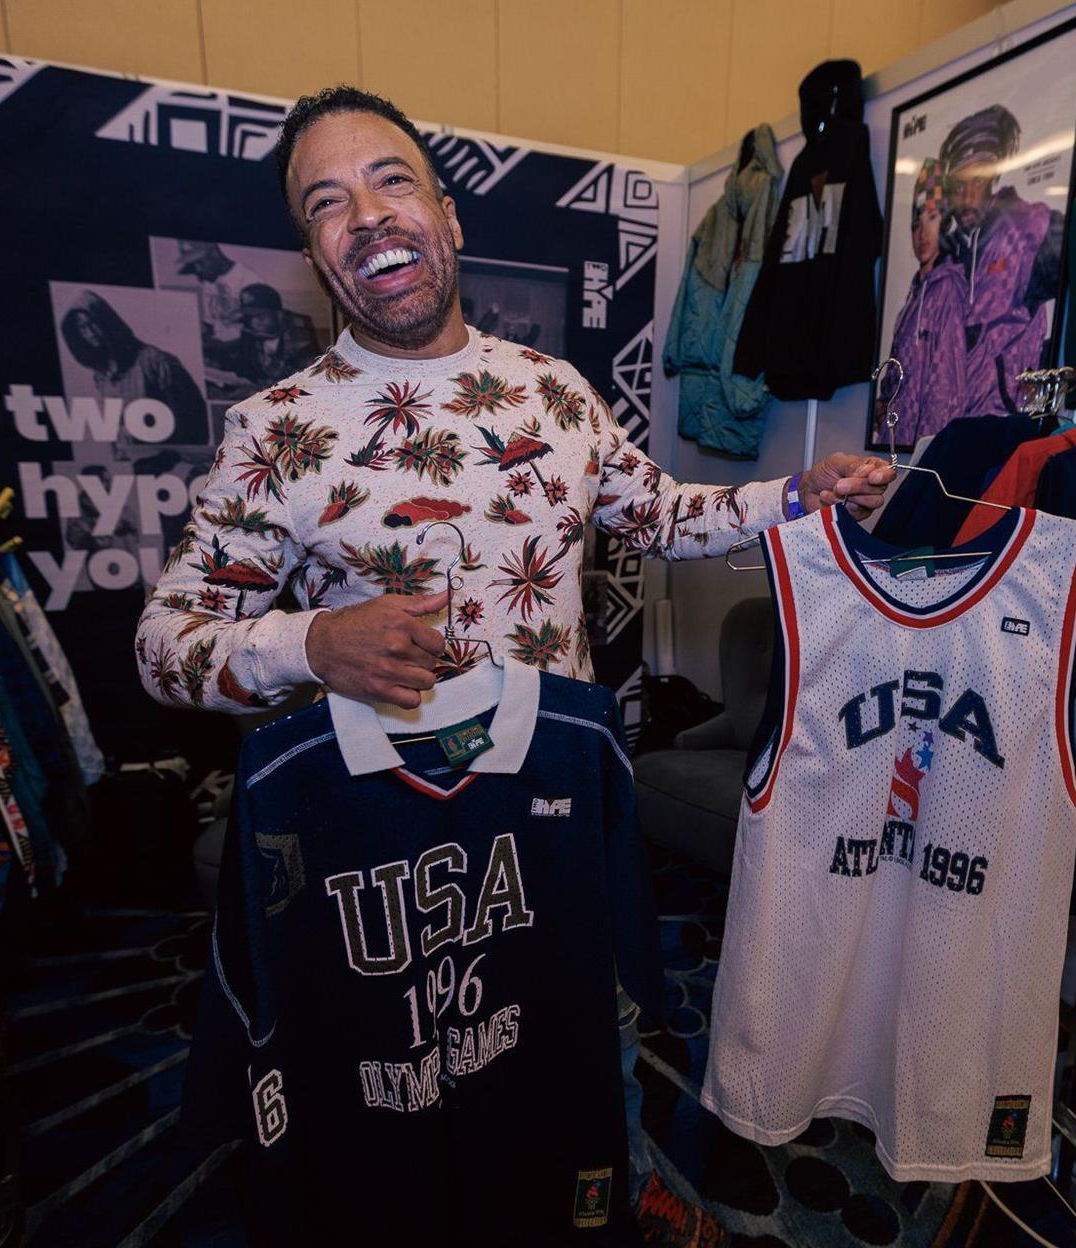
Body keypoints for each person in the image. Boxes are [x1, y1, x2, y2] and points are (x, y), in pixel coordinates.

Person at [135, 86, 893, 1248]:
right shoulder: (278, 432)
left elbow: (665, 514)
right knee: (407, 1088)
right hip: (387, 842)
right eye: (325, 203)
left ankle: (606, 1195)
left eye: (389, 180)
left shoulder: (549, 392)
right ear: (315, 254)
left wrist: (802, 494)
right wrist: (310, 642)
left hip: (552, 812)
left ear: (447, 215)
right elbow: (164, 647)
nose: (365, 215)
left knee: (579, 1047)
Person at [938, 106, 1064, 416]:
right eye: (959, 187)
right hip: (952, 424)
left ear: (993, 178)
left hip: (1008, 420)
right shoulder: (951, 255)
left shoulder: (1031, 229)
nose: (968, 198)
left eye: (978, 182)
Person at [883, 158, 968, 445]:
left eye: (932, 218)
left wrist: (927, 455)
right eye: (916, 223)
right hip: (897, 447)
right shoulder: (914, 296)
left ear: (946, 222)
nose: (922, 233)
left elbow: (945, 390)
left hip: (922, 455)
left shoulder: (948, 291)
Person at [59, 290, 207, 444]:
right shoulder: (101, 377)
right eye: (82, 328)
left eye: (93, 323)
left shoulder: (154, 361)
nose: (90, 333)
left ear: (105, 320)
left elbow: (193, 422)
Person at [208, 283, 321, 384]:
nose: (254, 322)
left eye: (260, 316)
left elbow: (308, 375)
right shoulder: (251, 331)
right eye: (250, 317)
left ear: (279, 315)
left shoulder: (298, 330)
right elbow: (245, 363)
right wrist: (219, 363)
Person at [176, 240, 268, 347]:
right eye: (193, 264)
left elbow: (261, 335)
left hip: (244, 350)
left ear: (214, 253)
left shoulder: (250, 280)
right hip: (219, 349)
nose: (198, 269)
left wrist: (224, 347)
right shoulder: (207, 283)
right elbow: (210, 325)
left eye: (200, 262)